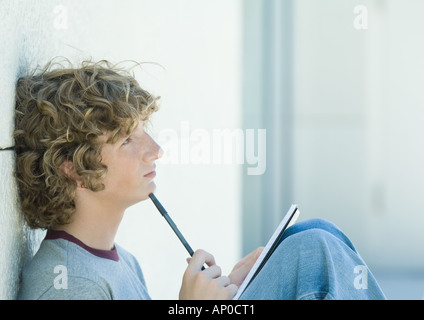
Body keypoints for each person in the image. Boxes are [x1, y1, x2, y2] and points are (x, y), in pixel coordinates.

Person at [15, 59, 386, 300]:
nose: (155, 150)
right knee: (312, 253)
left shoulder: (121, 262)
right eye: (128, 139)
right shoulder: (66, 283)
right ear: (73, 167)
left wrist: (234, 289)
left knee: (312, 234)